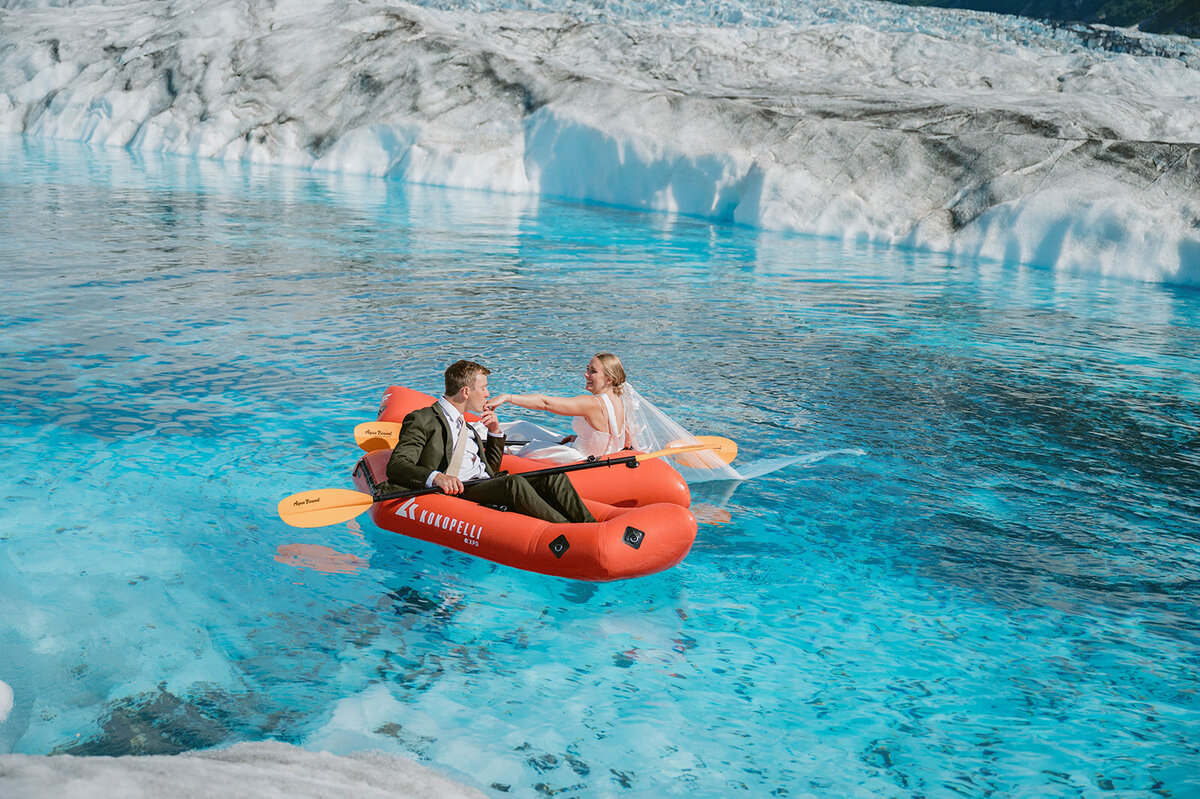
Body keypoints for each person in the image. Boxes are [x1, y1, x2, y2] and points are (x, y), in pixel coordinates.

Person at [385, 359, 596, 525]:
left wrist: (494, 432)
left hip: (483, 482)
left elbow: (491, 469)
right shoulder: (423, 419)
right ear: (466, 391)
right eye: (484, 388)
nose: (487, 394)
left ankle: (589, 525)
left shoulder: (467, 427)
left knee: (553, 477)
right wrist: (436, 477)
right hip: (460, 488)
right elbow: (397, 466)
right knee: (513, 483)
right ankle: (568, 531)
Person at [487, 353, 632, 464]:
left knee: (522, 449)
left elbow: (544, 403)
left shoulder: (591, 403)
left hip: (581, 461)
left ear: (609, 379)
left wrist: (507, 397)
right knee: (524, 427)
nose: (586, 374)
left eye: (593, 371)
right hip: (598, 458)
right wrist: (587, 440)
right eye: (587, 368)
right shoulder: (619, 401)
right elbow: (621, 440)